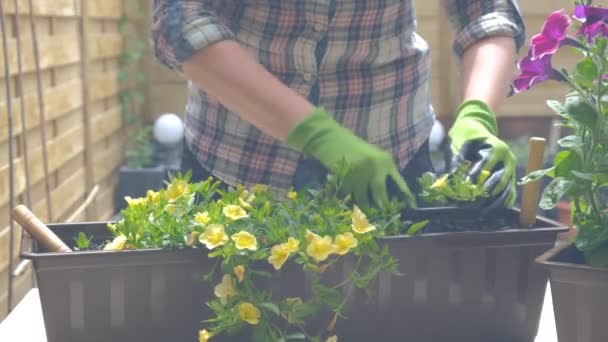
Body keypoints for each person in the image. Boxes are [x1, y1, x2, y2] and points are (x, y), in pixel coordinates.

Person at [151, 0, 524, 210]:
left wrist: (477, 114)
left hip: (389, 164)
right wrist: (318, 134)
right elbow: (181, 24)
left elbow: (485, 11)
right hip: (236, 163)